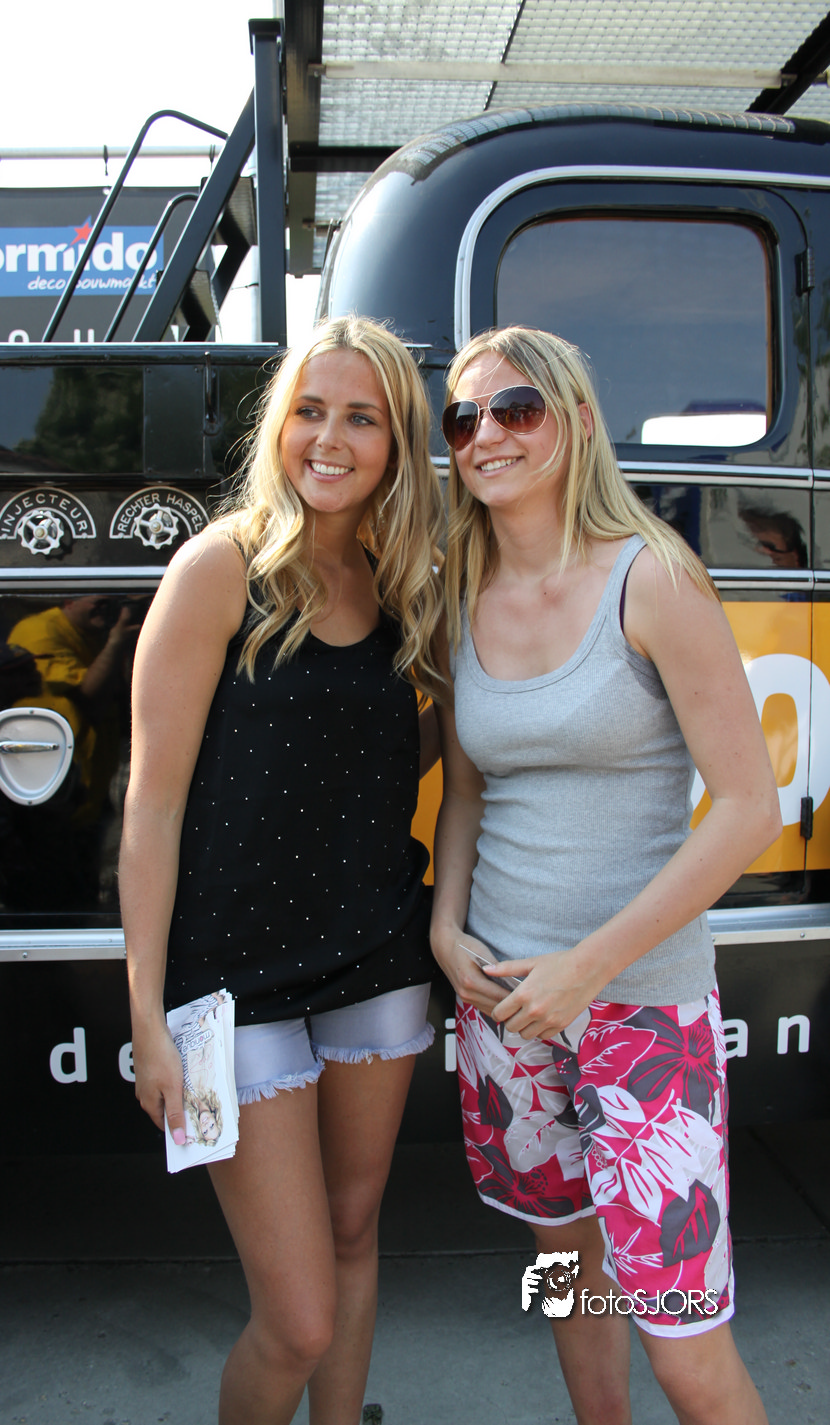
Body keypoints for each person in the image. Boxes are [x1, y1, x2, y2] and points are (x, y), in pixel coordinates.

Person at [430, 325, 781, 1425]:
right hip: (503, 1010)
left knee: (685, 1348)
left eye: (516, 408)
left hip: (641, 1012)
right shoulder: (458, 593)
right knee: (565, 1274)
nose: (486, 435)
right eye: (463, 418)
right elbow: (466, 791)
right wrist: (445, 926)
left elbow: (748, 808)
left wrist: (587, 965)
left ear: (577, 421)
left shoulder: (653, 578)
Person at [119, 316, 444, 1425]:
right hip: (230, 980)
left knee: (354, 1234)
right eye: (309, 410)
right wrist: (148, 1015)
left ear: (396, 442)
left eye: (361, 418)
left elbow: (400, 751)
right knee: (297, 1316)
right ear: (278, 425)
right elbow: (152, 805)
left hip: (378, 956)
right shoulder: (221, 569)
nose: (330, 439)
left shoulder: (405, 583)